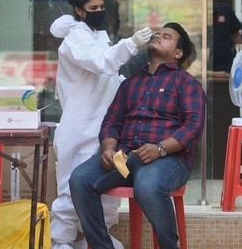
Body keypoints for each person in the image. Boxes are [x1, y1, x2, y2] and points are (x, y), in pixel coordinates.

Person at [69, 22, 206, 249]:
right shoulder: (131, 83)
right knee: (80, 179)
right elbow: (112, 121)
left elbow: (193, 127)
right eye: (157, 33)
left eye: (167, 36)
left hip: (168, 159)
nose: (158, 36)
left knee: (148, 186)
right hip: (125, 158)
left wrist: (159, 148)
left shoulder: (186, 83)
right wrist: (108, 149)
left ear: (178, 53)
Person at [49, 0, 152, 249]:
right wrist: (131, 44)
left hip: (105, 126)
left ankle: (98, 238)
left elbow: (109, 77)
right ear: (79, 10)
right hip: (79, 125)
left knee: (105, 188)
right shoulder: (75, 39)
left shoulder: (98, 34)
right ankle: (61, 241)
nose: (99, 11)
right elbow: (101, 63)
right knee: (71, 187)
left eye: (102, 6)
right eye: (93, 7)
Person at [212, 2, 242, 72]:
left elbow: (236, 35)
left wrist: (241, 58)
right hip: (200, 67)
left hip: (226, 66)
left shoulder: (225, 10)